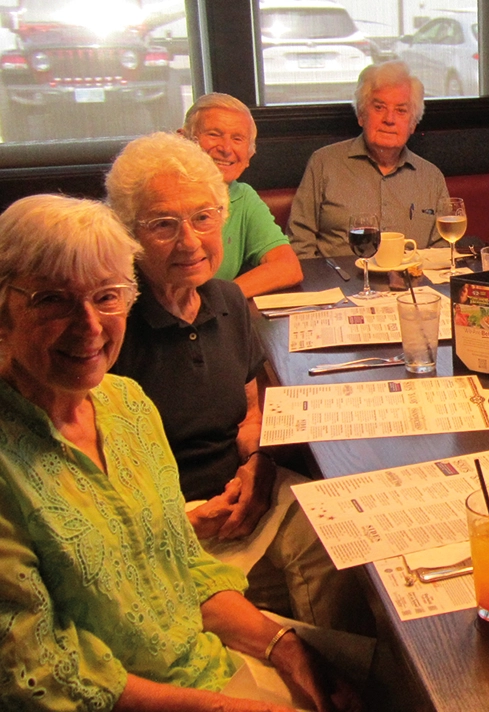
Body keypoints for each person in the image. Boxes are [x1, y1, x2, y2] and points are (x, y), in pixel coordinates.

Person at [0, 194, 355, 710]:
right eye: (52, 300)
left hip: (209, 666)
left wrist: (286, 648)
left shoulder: (126, 407)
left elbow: (185, 569)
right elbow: (38, 676)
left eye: (107, 296)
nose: (90, 326)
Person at [106, 132, 365, 634]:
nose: (189, 241)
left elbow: (251, 412)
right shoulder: (111, 326)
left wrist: (261, 464)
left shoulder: (226, 300)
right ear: (127, 234)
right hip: (163, 528)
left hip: (244, 497)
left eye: (203, 217)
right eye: (163, 224)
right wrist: (177, 526)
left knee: (349, 545)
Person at [289, 60, 449, 258]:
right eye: (379, 107)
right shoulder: (323, 163)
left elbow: (442, 252)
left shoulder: (431, 177)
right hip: (341, 286)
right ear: (361, 115)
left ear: (413, 124)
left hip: (413, 287)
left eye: (401, 110)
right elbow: (299, 245)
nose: (389, 119)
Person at [179, 92, 303, 298]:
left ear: (249, 155)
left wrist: (218, 301)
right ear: (183, 140)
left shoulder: (242, 196)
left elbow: (288, 267)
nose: (226, 149)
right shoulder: (161, 195)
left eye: (237, 139)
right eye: (214, 134)